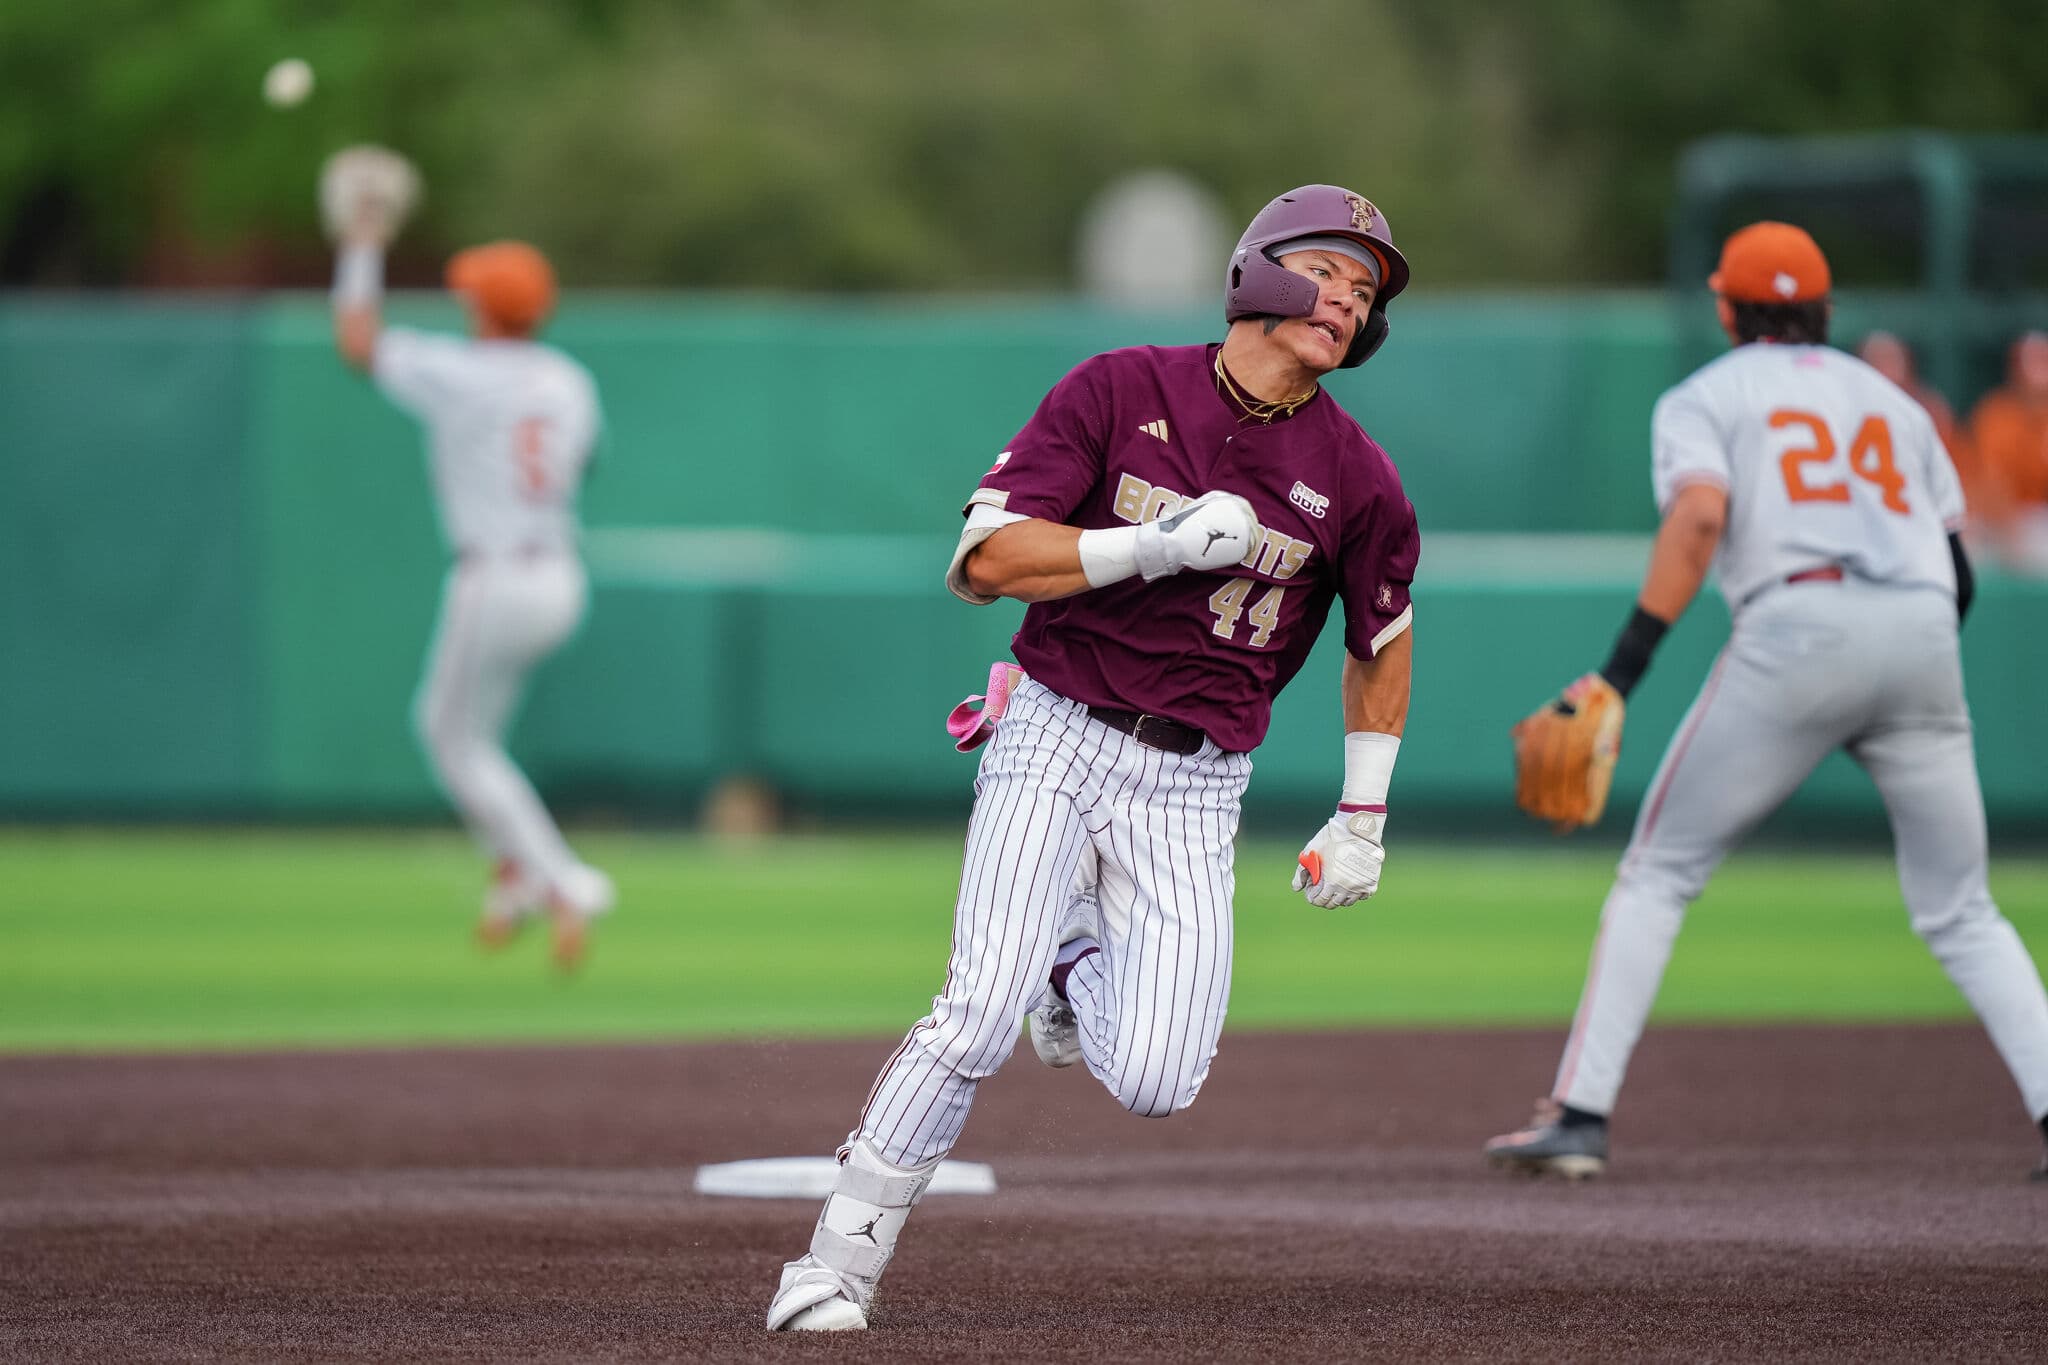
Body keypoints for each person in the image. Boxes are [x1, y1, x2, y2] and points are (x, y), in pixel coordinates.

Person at [765, 184, 1422, 1332]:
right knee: (975, 1013)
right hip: (1056, 728)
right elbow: (981, 559)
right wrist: (1150, 545)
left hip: (1195, 780)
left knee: (1161, 1081)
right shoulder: (1120, 387)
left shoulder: (1357, 476)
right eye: (1326, 270)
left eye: (1361, 290)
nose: (1344, 300)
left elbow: (1380, 643)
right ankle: (835, 1263)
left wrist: (1360, 814)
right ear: (1256, 271)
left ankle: (1072, 966)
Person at [1483, 223, 2048, 1183]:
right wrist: (1910, 655)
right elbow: (1956, 565)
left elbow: (1700, 517)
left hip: (1799, 622)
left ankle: (1579, 1114)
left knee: (1658, 872)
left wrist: (1619, 673)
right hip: (1919, 629)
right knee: (1961, 906)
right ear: (1824, 310)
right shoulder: (1896, 402)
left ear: (1725, 308)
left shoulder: (1706, 397)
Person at [330, 217, 613, 970]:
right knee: (476, 742)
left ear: (484, 308)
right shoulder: (568, 378)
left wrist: (361, 243)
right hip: (559, 573)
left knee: (446, 734)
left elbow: (358, 341)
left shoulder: (458, 370)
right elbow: (583, 465)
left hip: (494, 577)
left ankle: (562, 879)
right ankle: (517, 875)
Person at [1965, 331, 2048, 572]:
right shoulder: (1996, 414)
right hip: (2004, 525)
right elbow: (1991, 487)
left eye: (2042, 362)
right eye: (2029, 363)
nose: (2037, 373)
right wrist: (2011, 538)